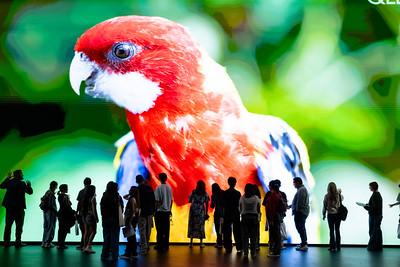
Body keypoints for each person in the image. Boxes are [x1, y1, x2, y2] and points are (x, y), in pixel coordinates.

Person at [0, 170, 33, 248]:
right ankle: (18, 242)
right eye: (22, 174)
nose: (23, 175)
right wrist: (29, 185)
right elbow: (30, 192)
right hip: (19, 208)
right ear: (18, 175)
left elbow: (1, 186)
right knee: (19, 226)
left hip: (10, 208)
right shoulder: (22, 183)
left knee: (8, 225)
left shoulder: (9, 182)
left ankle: (6, 243)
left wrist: (8, 178)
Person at [101, 181, 123, 261]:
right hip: (115, 220)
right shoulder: (117, 197)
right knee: (115, 239)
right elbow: (121, 209)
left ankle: (104, 254)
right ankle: (115, 256)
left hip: (106, 220)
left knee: (106, 238)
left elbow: (102, 209)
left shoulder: (104, 196)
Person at [264, 180, 286, 257]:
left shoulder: (273, 195)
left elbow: (272, 208)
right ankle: (276, 250)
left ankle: (276, 252)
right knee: (276, 234)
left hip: (274, 217)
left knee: (275, 234)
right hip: (276, 217)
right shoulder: (278, 194)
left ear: (271, 186)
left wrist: (271, 219)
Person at [221, 176, 242, 254]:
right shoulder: (238, 193)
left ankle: (228, 247)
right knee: (237, 231)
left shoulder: (225, 193)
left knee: (227, 231)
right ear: (235, 183)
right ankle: (239, 247)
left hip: (227, 213)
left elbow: (223, 205)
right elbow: (239, 205)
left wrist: (223, 215)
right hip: (235, 213)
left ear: (228, 183)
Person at [239, 183, 261, 258]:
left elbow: (240, 208)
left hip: (244, 218)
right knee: (253, 237)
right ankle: (253, 252)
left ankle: (245, 253)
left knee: (245, 236)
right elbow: (258, 209)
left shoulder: (242, 198)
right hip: (254, 218)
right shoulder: (256, 198)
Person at [136, 174, 155, 255]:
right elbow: (153, 200)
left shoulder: (138, 189)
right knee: (148, 229)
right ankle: (147, 244)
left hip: (142, 212)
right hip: (150, 211)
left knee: (142, 229)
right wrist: (153, 211)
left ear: (137, 181)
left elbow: (137, 201)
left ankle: (143, 246)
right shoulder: (150, 188)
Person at [154, 173, 173, 252]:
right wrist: (169, 209)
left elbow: (157, 201)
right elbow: (171, 200)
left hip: (160, 211)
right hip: (167, 211)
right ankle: (166, 245)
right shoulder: (169, 188)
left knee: (159, 229)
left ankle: (159, 244)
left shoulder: (158, 188)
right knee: (166, 229)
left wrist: (155, 209)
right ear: (166, 179)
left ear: (159, 179)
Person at [188, 180, 210, 248]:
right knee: (201, 226)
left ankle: (191, 243)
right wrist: (206, 212)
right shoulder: (205, 193)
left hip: (193, 210)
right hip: (201, 211)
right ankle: (201, 243)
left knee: (192, 225)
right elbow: (207, 202)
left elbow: (189, 200)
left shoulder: (194, 192)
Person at [322, 182, 344, 252]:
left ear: (328, 188)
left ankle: (332, 247)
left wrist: (324, 214)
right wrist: (339, 192)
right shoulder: (339, 195)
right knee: (337, 230)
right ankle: (338, 246)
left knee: (331, 231)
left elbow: (324, 206)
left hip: (330, 215)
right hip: (338, 215)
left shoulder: (326, 196)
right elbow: (342, 199)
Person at [290, 177, 310, 252]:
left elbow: (300, 202)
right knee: (301, 227)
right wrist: (291, 206)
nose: (293, 184)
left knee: (300, 227)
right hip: (301, 211)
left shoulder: (301, 190)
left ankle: (304, 244)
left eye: (294, 182)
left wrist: (297, 211)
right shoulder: (301, 189)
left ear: (298, 182)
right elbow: (297, 201)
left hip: (300, 212)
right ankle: (303, 243)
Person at [120, 186, 140, 260]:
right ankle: (134, 253)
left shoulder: (132, 199)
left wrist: (129, 222)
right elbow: (124, 196)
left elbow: (133, 212)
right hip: (132, 221)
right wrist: (130, 194)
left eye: (130, 190)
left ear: (133, 192)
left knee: (130, 237)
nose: (129, 190)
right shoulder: (134, 199)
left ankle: (128, 254)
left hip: (130, 221)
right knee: (132, 237)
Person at [364, 181, 383, 251]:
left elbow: (374, 207)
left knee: (373, 231)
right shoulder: (377, 194)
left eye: (370, 186)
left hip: (375, 216)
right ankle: (378, 246)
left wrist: (366, 207)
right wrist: (368, 205)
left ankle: (372, 247)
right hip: (377, 216)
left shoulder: (375, 195)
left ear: (373, 187)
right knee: (377, 231)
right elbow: (374, 206)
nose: (369, 188)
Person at [57, 184, 75, 249]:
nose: (67, 189)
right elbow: (67, 206)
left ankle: (60, 244)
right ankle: (61, 244)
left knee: (61, 230)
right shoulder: (64, 196)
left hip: (61, 214)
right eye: (66, 188)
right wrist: (72, 211)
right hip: (65, 215)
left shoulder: (61, 196)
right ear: (64, 189)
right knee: (63, 230)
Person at [82, 185, 99, 254]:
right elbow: (94, 209)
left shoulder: (85, 197)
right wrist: (96, 218)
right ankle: (88, 247)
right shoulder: (93, 198)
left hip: (85, 215)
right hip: (91, 216)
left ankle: (84, 246)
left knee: (86, 231)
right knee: (94, 231)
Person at [41, 180, 58, 248]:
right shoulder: (51, 193)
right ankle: (48, 243)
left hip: (45, 211)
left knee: (46, 226)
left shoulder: (47, 192)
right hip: (51, 212)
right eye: (56, 186)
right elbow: (51, 205)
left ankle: (44, 242)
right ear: (54, 186)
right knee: (51, 227)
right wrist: (56, 212)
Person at [76, 177, 91, 250]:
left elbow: (79, 203)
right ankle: (86, 245)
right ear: (90, 183)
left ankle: (83, 244)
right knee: (88, 229)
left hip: (82, 213)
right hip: (89, 213)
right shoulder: (92, 192)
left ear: (84, 183)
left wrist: (77, 211)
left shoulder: (81, 191)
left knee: (83, 230)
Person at [275, 179, 288, 247]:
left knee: (274, 230)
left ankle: (275, 245)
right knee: (280, 229)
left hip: (274, 215)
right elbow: (285, 204)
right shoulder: (282, 194)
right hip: (280, 215)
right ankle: (280, 244)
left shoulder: (270, 194)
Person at [210, 183, 223, 248]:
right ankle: (224, 242)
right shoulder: (223, 193)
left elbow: (212, 206)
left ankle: (219, 243)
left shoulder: (213, 195)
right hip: (223, 214)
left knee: (217, 228)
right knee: (223, 228)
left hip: (217, 213)